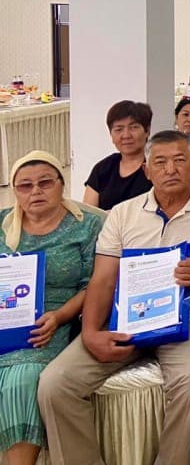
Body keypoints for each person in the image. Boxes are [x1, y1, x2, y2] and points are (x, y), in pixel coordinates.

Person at [37, 130, 190, 465]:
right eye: (160, 162)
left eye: (179, 160)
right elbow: (103, 279)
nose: (170, 170)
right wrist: (90, 332)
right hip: (127, 318)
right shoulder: (123, 214)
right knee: (55, 384)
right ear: (147, 170)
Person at [0, 152, 103, 465]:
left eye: (45, 183)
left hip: (56, 319)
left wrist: (59, 317)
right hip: (6, 316)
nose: (35, 191)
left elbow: (94, 284)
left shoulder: (87, 226)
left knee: (23, 377)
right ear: (15, 191)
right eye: (25, 186)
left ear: (61, 184)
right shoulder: (2, 224)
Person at [83, 100, 153, 211]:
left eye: (133, 127)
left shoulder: (157, 167)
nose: (126, 135)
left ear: (147, 131)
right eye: (118, 129)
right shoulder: (103, 168)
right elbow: (89, 214)